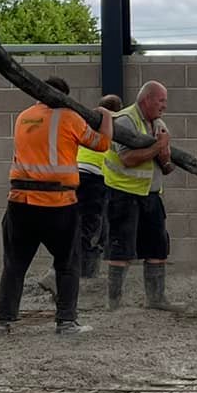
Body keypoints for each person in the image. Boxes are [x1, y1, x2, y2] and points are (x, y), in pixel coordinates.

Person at [0, 78, 114, 337]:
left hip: (20, 202)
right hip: (57, 203)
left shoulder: (23, 117)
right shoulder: (69, 117)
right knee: (68, 262)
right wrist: (105, 116)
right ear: (64, 96)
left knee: (14, 264)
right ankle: (66, 322)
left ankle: (3, 322)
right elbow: (102, 144)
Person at [103, 80, 183, 312]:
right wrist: (159, 147)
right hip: (124, 194)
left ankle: (156, 299)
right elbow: (127, 159)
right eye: (161, 100)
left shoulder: (157, 123)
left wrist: (165, 156)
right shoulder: (126, 120)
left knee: (158, 248)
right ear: (146, 99)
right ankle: (114, 303)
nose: (164, 106)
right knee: (121, 249)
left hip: (151, 195)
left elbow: (165, 163)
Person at [72, 93, 125, 282]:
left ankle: (85, 272)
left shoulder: (90, 122)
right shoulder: (115, 127)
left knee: (86, 225)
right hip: (94, 178)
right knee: (92, 226)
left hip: (77, 175)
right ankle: (80, 274)